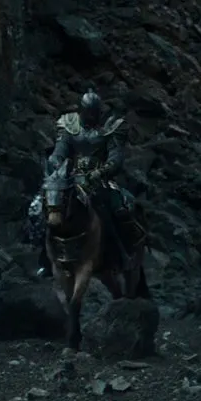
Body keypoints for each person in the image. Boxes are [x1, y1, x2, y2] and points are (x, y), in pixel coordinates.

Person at [37, 89, 140, 271]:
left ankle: (122, 253)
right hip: (69, 178)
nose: (92, 117)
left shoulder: (110, 126)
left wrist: (99, 172)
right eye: (88, 113)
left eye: (95, 113)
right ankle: (45, 258)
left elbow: (115, 158)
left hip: (99, 179)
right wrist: (56, 163)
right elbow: (60, 150)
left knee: (117, 209)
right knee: (40, 207)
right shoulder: (70, 124)